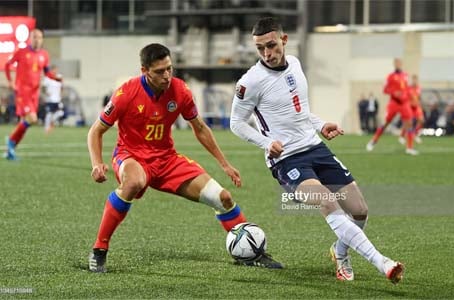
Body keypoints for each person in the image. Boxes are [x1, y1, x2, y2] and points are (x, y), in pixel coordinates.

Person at [230, 17, 404, 284]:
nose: (267, 53)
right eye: (260, 48)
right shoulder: (250, 82)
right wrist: (266, 143)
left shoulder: (296, 65)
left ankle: (340, 251)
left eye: (272, 45)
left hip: (315, 148)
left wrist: (321, 124)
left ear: (284, 40)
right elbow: (236, 123)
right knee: (326, 201)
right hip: (286, 160)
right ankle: (382, 263)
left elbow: (299, 113)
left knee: (359, 210)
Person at [87, 43, 283, 273]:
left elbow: (199, 128)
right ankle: (99, 250)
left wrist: (225, 164)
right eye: (159, 71)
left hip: (167, 160)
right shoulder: (126, 93)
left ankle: (251, 253)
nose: (167, 75)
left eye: (169, 68)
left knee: (224, 198)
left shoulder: (180, 90)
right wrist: (96, 163)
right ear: (144, 71)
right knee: (133, 183)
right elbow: (96, 131)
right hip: (131, 156)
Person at [3, 28, 61, 160]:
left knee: (25, 122)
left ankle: (10, 150)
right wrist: (10, 82)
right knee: (32, 118)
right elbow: (7, 65)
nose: (37, 39)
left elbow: (47, 72)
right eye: (34, 37)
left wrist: (55, 78)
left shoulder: (44, 55)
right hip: (23, 92)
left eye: (39, 37)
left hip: (35, 93)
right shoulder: (22, 52)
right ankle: (11, 141)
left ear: (42, 40)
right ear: (30, 39)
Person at [366, 58, 418, 155]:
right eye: (396, 63)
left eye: (399, 63)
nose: (398, 64)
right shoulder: (390, 76)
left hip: (404, 103)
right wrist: (394, 92)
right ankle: (373, 141)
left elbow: (408, 89)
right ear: (394, 64)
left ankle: (409, 148)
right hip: (394, 103)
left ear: (401, 64)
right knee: (386, 123)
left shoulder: (406, 76)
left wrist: (411, 98)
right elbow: (385, 90)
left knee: (410, 123)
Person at [399, 74, 424, 144]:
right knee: (407, 123)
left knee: (421, 120)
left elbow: (419, 97)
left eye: (416, 80)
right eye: (413, 80)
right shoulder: (408, 88)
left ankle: (415, 134)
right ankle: (402, 136)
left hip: (416, 107)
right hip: (409, 107)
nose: (414, 81)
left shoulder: (419, 88)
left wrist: (419, 102)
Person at [42, 65, 64, 133]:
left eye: (56, 70)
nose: (55, 71)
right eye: (54, 70)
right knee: (49, 114)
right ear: (51, 70)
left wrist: (61, 94)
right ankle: (46, 128)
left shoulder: (59, 77)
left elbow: (62, 86)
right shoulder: (47, 78)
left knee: (60, 113)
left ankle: (51, 123)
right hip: (50, 99)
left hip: (58, 99)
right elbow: (43, 87)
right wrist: (46, 93)